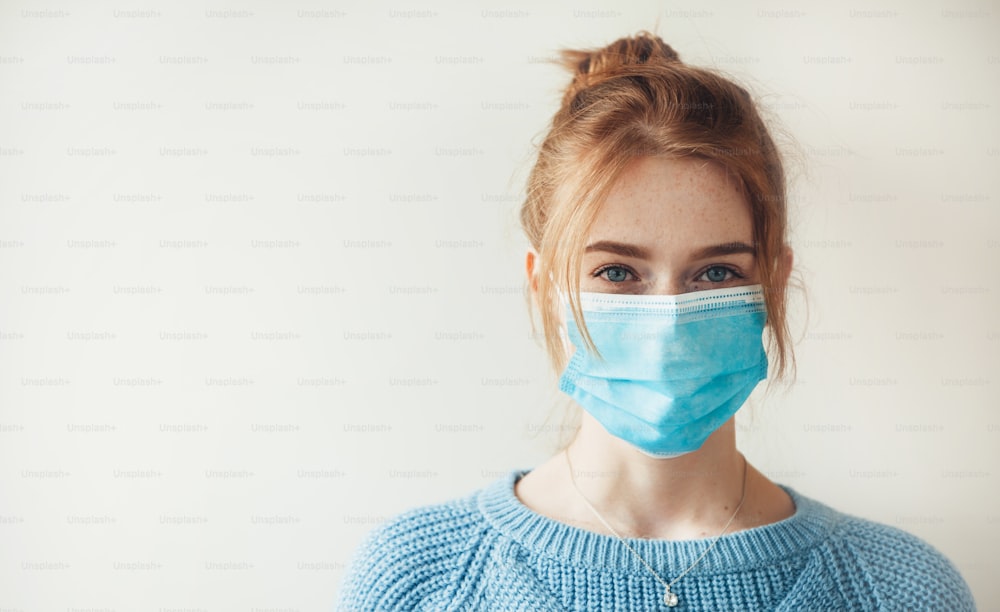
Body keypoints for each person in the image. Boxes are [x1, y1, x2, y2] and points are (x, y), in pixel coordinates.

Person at [335, 32, 976, 611]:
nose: (668, 322)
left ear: (773, 282)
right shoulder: (416, 580)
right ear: (545, 284)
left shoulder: (901, 589)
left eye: (716, 273)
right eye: (617, 272)